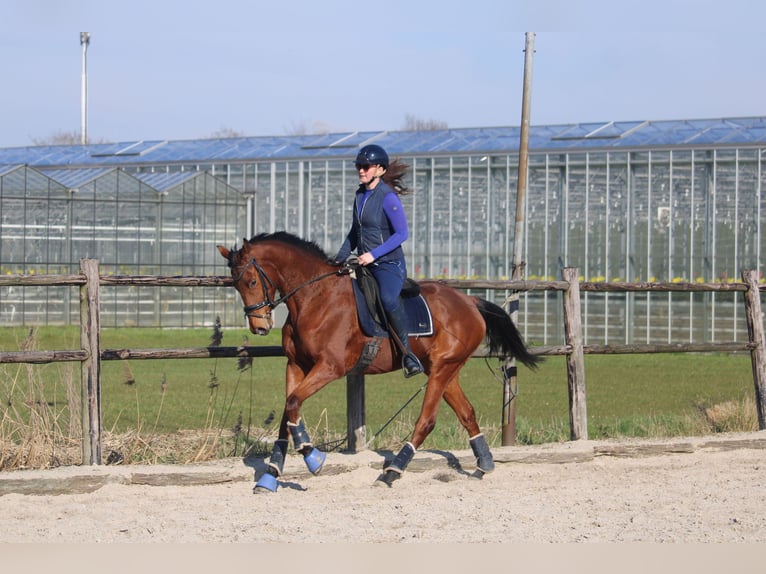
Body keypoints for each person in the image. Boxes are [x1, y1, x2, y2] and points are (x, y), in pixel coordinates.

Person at [334, 144, 424, 378]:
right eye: (358, 167)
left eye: (365, 167)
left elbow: (402, 234)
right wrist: (338, 258)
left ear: (380, 170)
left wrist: (373, 255)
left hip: (388, 265)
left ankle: (408, 355)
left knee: (386, 298)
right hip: (364, 263)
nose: (361, 171)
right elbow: (355, 231)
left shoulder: (388, 198)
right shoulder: (359, 195)